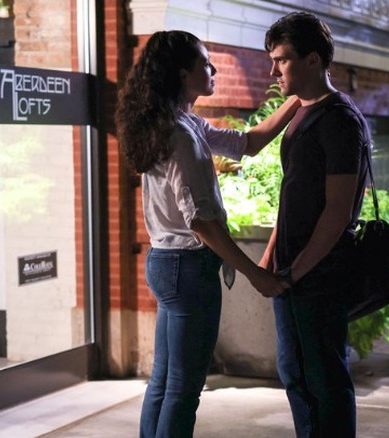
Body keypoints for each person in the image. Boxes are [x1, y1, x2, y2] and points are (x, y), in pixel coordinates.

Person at [115, 30, 299, 438]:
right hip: (187, 268)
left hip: (166, 264)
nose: (212, 69)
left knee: (164, 383)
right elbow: (201, 222)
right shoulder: (180, 135)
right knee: (183, 388)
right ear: (183, 73)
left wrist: (295, 99)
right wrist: (257, 273)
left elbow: (247, 144)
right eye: (204, 63)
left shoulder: (180, 123)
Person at [259, 12, 370, 437]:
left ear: (313, 60)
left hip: (318, 274)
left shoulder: (339, 119)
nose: (274, 70)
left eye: (282, 60)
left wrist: (295, 271)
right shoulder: (301, 110)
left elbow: (338, 211)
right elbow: (294, 196)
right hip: (291, 273)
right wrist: (272, 256)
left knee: (324, 377)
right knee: (296, 373)